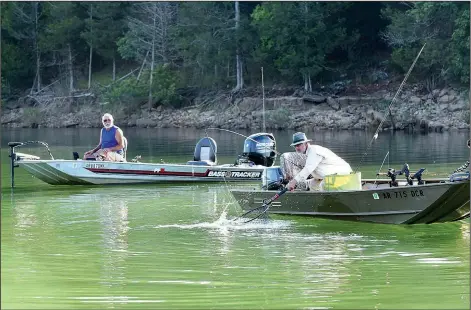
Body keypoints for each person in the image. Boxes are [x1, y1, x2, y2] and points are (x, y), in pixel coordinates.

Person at [286, 132, 353, 191]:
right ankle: (317, 204)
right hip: (329, 176)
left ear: (306, 143)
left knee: (324, 184)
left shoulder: (314, 151)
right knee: (313, 185)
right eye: (295, 146)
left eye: (299, 145)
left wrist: (294, 182)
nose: (297, 148)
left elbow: (308, 169)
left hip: (343, 174)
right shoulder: (306, 154)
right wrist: (292, 180)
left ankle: (327, 203)